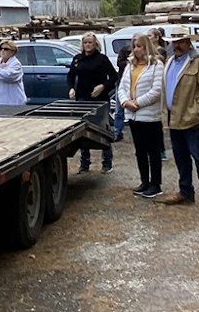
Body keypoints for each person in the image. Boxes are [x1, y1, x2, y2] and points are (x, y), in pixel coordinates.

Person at [159, 27, 199, 212]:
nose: (177, 45)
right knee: (181, 158)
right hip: (174, 120)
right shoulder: (169, 62)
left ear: (188, 42)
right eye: (174, 41)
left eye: (181, 41)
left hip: (193, 121)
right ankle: (186, 192)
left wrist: (196, 111)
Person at [119, 32, 165, 198]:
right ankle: (144, 181)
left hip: (149, 115)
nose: (136, 50)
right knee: (140, 150)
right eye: (134, 46)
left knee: (153, 150)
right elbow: (122, 87)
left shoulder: (156, 65)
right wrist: (125, 102)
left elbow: (157, 90)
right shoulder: (130, 65)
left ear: (146, 47)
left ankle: (155, 184)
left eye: (139, 46)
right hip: (132, 115)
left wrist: (137, 103)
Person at [66, 31, 118, 173]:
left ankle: (107, 163)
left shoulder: (102, 59)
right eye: (85, 43)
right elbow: (70, 76)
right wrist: (71, 88)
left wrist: (103, 86)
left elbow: (114, 76)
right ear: (82, 45)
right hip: (82, 99)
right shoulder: (77, 59)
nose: (88, 45)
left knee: (103, 130)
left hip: (100, 99)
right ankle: (84, 164)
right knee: (83, 130)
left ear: (95, 44)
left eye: (90, 42)